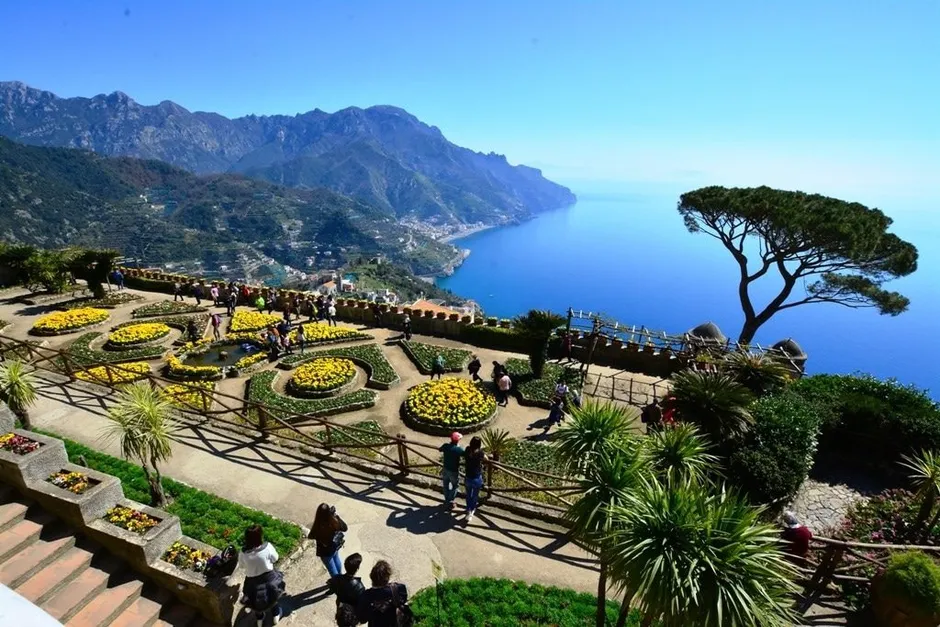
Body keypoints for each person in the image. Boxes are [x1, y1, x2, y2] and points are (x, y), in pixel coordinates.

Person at [237, 525, 285, 626]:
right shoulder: (267, 547)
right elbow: (275, 558)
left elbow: (241, 566)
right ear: (260, 536)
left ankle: (260, 619)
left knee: (255, 600)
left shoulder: (243, 553)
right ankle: (276, 615)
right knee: (272, 596)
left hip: (252, 582)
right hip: (269, 578)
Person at [356, 561, 409, 627]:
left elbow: (362, 619)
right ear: (387, 577)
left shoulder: (366, 596)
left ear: (372, 577)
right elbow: (403, 603)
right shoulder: (398, 589)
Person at [311, 503, 348, 578]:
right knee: (336, 559)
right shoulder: (334, 520)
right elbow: (345, 528)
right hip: (334, 545)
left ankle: (337, 584)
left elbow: (311, 535)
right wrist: (335, 516)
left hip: (325, 551)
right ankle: (340, 577)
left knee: (332, 569)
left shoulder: (318, 525)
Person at [439, 432, 464, 511]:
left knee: (445, 485)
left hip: (445, 469)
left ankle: (447, 500)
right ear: (457, 441)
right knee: (455, 486)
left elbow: (440, 449)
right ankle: (449, 501)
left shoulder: (446, 446)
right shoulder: (458, 449)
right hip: (453, 471)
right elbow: (464, 454)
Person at [463, 436, 486, 523]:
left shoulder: (467, 449)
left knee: (468, 494)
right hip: (476, 477)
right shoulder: (480, 453)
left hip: (468, 476)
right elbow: (486, 458)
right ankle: (472, 510)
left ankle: (468, 509)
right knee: (475, 495)